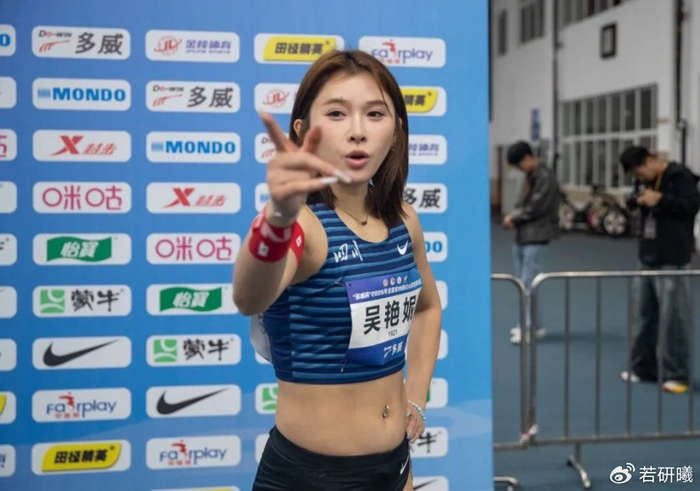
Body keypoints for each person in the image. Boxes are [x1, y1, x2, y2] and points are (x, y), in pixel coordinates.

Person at [233, 50, 442, 491]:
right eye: (336, 113)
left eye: (375, 114)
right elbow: (249, 297)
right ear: (302, 131)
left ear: (396, 132)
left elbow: (427, 308)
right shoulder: (303, 224)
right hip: (309, 478)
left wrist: (417, 395)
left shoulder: (404, 220)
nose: (358, 131)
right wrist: (278, 218)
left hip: (394, 467)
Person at [618, 146, 699, 394]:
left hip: (673, 257)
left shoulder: (680, 176)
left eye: (639, 171)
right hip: (647, 255)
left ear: (650, 161)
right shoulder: (644, 181)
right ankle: (643, 368)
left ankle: (677, 375)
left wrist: (661, 200)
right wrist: (638, 200)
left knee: (675, 319)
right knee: (643, 316)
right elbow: (631, 200)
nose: (639, 177)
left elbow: (692, 206)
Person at [502, 141, 560, 344]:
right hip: (524, 235)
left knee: (528, 283)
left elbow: (536, 207)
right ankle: (535, 325)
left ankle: (528, 328)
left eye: (520, 164)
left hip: (537, 236)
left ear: (528, 158)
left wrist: (513, 217)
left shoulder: (545, 177)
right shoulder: (532, 176)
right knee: (525, 283)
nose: (520, 169)